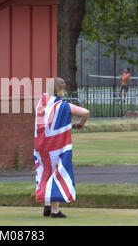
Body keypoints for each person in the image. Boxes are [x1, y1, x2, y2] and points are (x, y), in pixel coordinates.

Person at [34, 77, 89, 218]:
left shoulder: (41, 103)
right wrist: (81, 123)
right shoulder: (63, 106)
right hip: (57, 145)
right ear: (61, 89)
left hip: (40, 145)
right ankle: (55, 210)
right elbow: (85, 112)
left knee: (44, 172)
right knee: (57, 173)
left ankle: (46, 204)